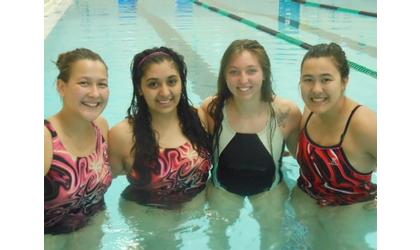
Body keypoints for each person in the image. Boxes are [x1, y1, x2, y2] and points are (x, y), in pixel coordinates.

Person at [201, 39, 302, 250]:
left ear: (264, 73)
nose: (243, 79)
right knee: (216, 238)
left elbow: (306, 162)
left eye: (251, 71)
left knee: (273, 240)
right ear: (224, 75)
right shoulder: (212, 110)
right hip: (222, 191)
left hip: (271, 192)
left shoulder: (285, 113)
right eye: (234, 71)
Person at [109, 47, 212, 249]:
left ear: (182, 82)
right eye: (153, 84)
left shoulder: (199, 120)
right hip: (147, 218)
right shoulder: (123, 135)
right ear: (139, 88)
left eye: (172, 81)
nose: (164, 92)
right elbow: (98, 183)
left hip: (195, 215)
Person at [291, 42, 377, 250]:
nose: (316, 89)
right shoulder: (311, 110)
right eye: (308, 80)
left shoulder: (363, 124)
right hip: (306, 199)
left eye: (326, 79)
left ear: (344, 81)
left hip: (349, 209)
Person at [44, 48, 112, 248]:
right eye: (84, 83)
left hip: (92, 235)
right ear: (61, 87)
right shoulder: (45, 138)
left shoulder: (101, 126)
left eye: (102, 84)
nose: (95, 93)